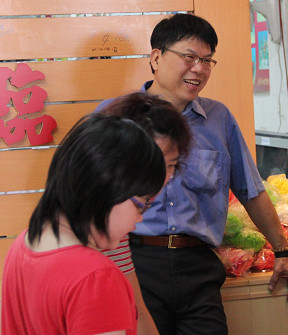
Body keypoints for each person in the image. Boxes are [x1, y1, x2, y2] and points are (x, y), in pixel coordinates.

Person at [95, 13, 288, 335]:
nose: (199, 69)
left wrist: (283, 251)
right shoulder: (115, 116)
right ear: (156, 58)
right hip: (135, 262)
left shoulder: (218, 118)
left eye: (208, 60)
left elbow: (250, 189)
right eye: (189, 57)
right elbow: (89, 196)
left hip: (198, 266)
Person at [1, 113, 166, 335]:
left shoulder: (24, 242)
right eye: (141, 204)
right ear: (106, 187)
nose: (139, 219)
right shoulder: (97, 278)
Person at [97, 91, 191, 335]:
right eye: (163, 163)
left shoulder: (115, 233)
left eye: (173, 165)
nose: (165, 178)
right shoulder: (83, 260)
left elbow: (137, 310)